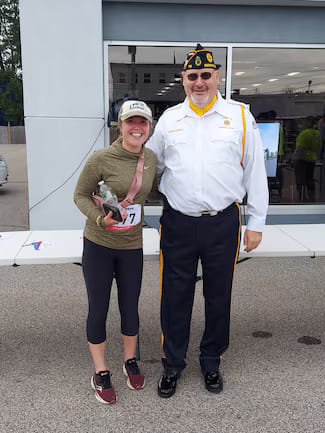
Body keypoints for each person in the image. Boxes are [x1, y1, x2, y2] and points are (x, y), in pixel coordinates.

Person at [146, 44, 268, 398]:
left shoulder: (241, 116)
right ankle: (172, 364)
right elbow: (149, 166)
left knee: (219, 295)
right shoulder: (169, 119)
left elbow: (255, 171)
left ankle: (211, 359)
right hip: (178, 223)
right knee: (174, 295)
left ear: (218, 77)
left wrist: (256, 221)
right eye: (192, 76)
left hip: (223, 222)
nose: (199, 82)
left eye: (205, 75)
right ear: (183, 80)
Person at [74, 100, 156, 404]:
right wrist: (99, 218)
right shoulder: (101, 159)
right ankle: (101, 371)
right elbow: (80, 195)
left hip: (132, 245)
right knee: (98, 308)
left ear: (149, 127)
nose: (137, 127)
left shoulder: (150, 158)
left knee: (130, 306)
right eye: (130, 122)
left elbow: (148, 193)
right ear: (119, 126)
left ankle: (130, 360)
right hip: (99, 244)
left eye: (143, 122)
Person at [294, 116, 322, 201]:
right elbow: (320, 147)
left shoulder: (304, 133)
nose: (302, 125)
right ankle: (311, 198)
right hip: (312, 160)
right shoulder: (318, 133)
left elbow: (299, 148)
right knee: (310, 179)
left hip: (301, 160)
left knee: (300, 180)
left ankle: (301, 198)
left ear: (309, 123)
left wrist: (294, 159)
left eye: (304, 122)